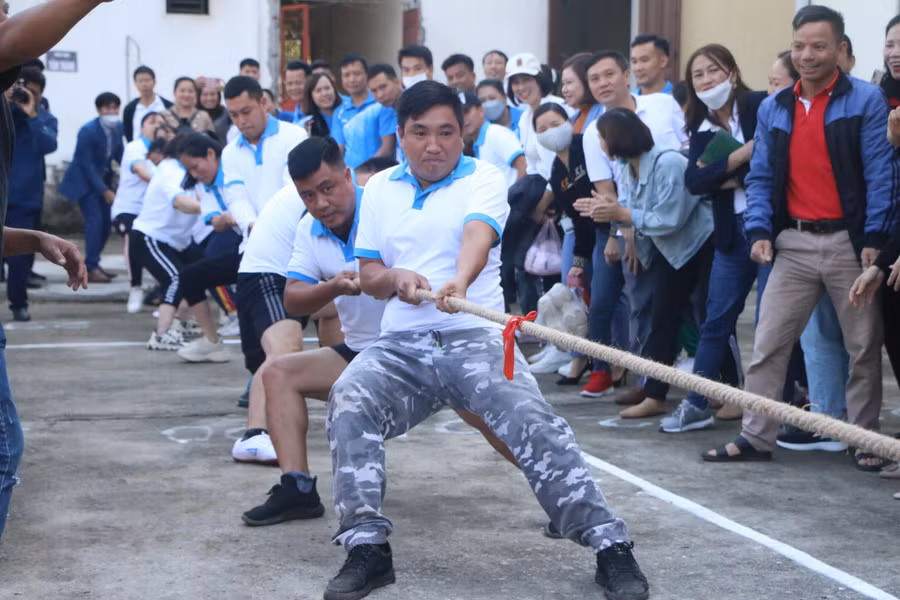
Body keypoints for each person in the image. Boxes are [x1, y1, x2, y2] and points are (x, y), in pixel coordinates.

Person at [320, 81, 649, 600]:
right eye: (420, 133)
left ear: (463, 132)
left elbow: (478, 234)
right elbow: (370, 272)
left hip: (474, 333)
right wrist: (396, 278)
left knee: (533, 420)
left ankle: (609, 545)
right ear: (401, 135)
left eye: (446, 132)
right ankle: (366, 548)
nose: (434, 145)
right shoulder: (380, 187)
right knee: (350, 396)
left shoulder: (484, 176)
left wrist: (459, 279)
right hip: (401, 344)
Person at [244, 137, 516, 527]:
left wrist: (388, 279)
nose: (321, 203)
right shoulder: (309, 229)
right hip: (364, 355)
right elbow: (293, 300)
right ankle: (297, 489)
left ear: (347, 176)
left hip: (428, 345)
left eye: (327, 188)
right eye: (307, 196)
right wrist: (334, 286)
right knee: (278, 373)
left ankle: (555, 494)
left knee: (494, 420)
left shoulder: (388, 207)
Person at [704, 5, 894, 469]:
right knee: (768, 341)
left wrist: (875, 237)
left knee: (863, 348)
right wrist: (760, 231)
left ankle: (864, 438)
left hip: (851, 245)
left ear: (840, 49)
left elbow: (881, 173)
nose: (807, 55)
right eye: (799, 46)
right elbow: (763, 175)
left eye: (819, 46)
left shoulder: (866, 100)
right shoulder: (774, 107)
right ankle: (756, 436)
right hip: (793, 243)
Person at [0, 0, 109, 541]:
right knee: (3, 447)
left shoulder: (22, 110)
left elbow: (44, 142)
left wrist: (34, 238)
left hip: (19, 214)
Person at [657, 44, 768, 433]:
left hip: (770, 226)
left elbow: (774, 159)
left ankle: (786, 406)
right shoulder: (700, 129)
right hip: (730, 235)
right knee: (715, 318)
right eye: (698, 75)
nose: (706, 80)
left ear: (733, 73)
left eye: (713, 71)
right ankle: (698, 401)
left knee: (772, 321)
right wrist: (738, 160)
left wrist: (722, 174)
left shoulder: (759, 106)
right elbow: (696, 182)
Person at [589, 108, 713, 418]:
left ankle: (723, 392)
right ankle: (654, 389)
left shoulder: (668, 162)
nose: (601, 145)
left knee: (705, 320)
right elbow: (631, 209)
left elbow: (669, 219)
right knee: (663, 320)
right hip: (670, 251)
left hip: (697, 248)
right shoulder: (628, 167)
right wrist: (620, 223)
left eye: (602, 137)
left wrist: (619, 216)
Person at [577, 49, 687, 401]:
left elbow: (686, 154)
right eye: (594, 79)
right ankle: (648, 382)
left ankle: (709, 384)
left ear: (627, 75)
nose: (602, 84)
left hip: (684, 221)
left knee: (694, 306)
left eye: (608, 74)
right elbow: (610, 192)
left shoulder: (662, 105)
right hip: (635, 226)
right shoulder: (594, 132)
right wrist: (628, 239)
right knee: (642, 304)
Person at [221, 75, 309, 460]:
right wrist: (257, 225)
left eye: (246, 111)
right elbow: (236, 196)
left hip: (303, 253)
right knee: (276, 350)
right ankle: (255, 431)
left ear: (264, 104)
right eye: (233, 114)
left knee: (305, 338)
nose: (240, 120)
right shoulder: (230, 150)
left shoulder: (293, 137)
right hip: (260, 254)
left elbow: (306, 189)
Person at [173, 133, 240, 363]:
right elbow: (216, 222)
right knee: (190, 276)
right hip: (243, 244)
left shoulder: (236, 170)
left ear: (211, 154)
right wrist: (229, 218)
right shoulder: (205, 185)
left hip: (264, 244)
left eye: (195, 166)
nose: (194, 174)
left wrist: (233, 216)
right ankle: (212, 341)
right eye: (189, 170)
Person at [131, 136, 204, 349]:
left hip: (176, 241)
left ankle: (180, 323)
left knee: (197, 273)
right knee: (174, 278)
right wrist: (209, 210)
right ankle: (161, 334)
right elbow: (181, 202)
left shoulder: (190, 172)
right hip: (150, 238)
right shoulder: (171, 171)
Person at [6, 66, 57, 322]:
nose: (25, 95)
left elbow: (47, 145)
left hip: (24, 200)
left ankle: (18, 304)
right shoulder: (5, 115)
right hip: (5, 195)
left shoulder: (44, 119)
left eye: (32, 92)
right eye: (20, 89)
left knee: (20, 259)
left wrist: (32, 114)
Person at [58, 91, 124, 284]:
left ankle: (93, 263)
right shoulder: (88, 131)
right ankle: (91, 267)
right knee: (95, 224)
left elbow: (120, 153)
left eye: (114, 107)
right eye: (107, 108)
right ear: (99, 110)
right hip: (86, 184)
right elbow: (86, 165)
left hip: (103, 181)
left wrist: (135, 169)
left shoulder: (118, 128)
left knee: (105, 226)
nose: (111, 111)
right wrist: (105, 190)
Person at [112, 111, 164, 313]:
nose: (157, 126)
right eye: (152, 122)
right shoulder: (135, 147)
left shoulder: (167, 149)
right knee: (132, 238)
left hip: (155, 210)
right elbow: (143, 173)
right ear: (142, 128)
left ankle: (164, 290)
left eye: (161, 122)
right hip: (130, 207)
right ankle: (135, 287)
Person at [460, 91, 525, 188]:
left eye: (466, 112)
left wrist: (517, 200)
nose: (463, 119)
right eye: (458, 115)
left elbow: (523, 166)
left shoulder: (495, 133)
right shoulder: (477, 142)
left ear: (481, 110)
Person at [331, 55, 379, 168]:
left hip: (380, 171)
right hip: (352, 175)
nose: (352, 79)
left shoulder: (380, 103)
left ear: (367, 75)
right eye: (346, 75)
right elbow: (339, 148)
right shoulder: (339, 112)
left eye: (357, 74)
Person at [123, 65, 172, 143]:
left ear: (154, 82)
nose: (144, 84)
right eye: (140, 81)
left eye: (147, 80)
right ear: (136, 84)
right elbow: (128, 134)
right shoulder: (130, 109)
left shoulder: (168, 106)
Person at [367, 63, 406, 161]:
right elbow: (387, 149)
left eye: (383, 87)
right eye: (374, 91)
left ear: (397, 82)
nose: (380, 95)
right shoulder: (385, 110)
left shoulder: (417, 99)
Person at [299, 71, 341, 137]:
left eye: (327, 88)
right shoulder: (307, 124)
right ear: (310, 96)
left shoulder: (346, 114)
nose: (324, 93)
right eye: (318, 90)